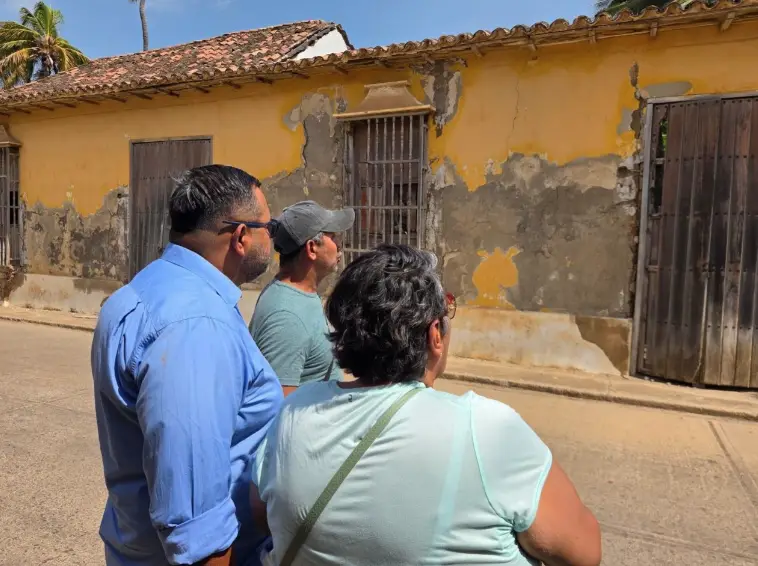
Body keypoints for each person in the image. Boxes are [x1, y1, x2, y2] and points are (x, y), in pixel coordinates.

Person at [253, 244, 602, 566]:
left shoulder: (294, 412)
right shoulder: (485, 429)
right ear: (435, 334)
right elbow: (584, 552)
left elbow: (263, 513)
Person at [91, 165, 284, 566]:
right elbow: (198, 531)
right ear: (242, 237)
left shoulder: (146, 290)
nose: (273, 238)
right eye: (269, 227)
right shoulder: (196, 323)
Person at [249, 200, 355, 396]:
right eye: (333, 237)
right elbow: (279, 405)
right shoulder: (286, 317)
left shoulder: (301, 293)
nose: (340, 246)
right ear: (312, 248)